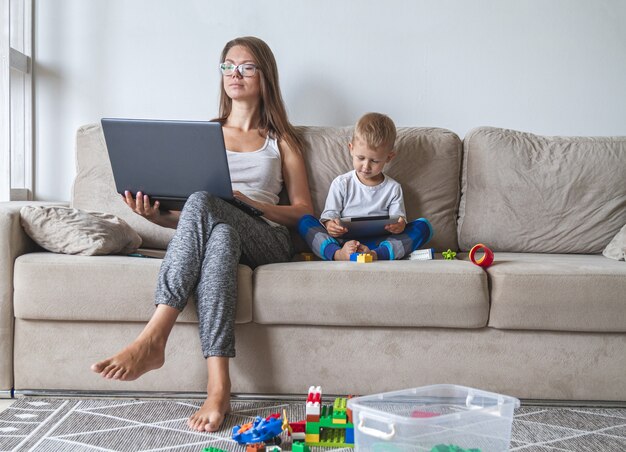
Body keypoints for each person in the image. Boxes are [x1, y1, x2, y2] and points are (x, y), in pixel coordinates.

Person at [91, 36, 313, 433]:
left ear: (265, 77)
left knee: (208, 203)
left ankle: (154, 336)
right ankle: (218, 387)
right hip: (222, 232)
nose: (235, 74)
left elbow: (303, 213)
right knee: (221, 233)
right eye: (228, 66)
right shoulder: (206, 134)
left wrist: (252, 203)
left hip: (268, 237)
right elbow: (198, 218)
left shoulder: (282, 140)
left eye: (246, 66)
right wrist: (157, 218)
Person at [298, 112, 433, 261]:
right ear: (351, 148)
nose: (366, 166)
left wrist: (399, 226)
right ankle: (338, 254)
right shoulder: (342, 183)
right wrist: (331, 225)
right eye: (361, 158)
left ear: (388, 157)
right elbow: (329, 216)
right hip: (343, 242)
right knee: (305, 222)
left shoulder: (393, 188)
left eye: (375, 161)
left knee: (423, 226)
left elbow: (399, 220)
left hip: (379, 243)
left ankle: (376, 254)